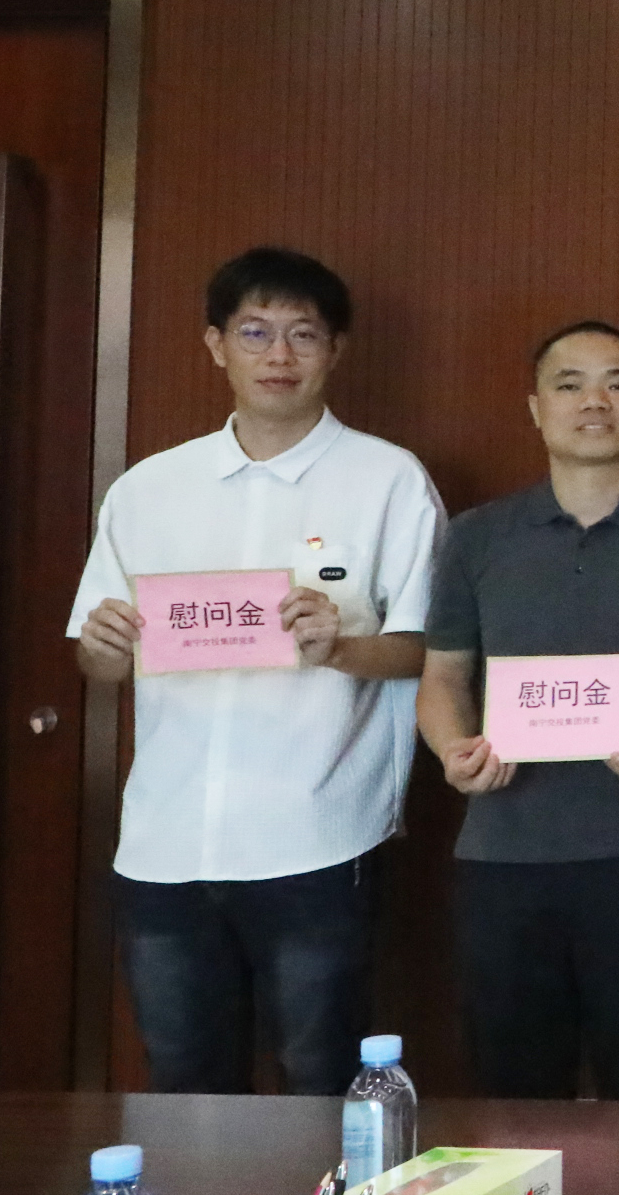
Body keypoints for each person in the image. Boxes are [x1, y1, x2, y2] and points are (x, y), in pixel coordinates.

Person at [67, 248, 444, 1095]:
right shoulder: (148, 488)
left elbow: (427, 647)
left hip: (317, 833)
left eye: (302, 334)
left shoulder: (388, 480)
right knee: (183, 1085)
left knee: (322, 1082)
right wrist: (104, 647)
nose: (279, 355)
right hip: (165, 841)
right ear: (215, 345)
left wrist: (340, 646)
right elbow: (95, 659)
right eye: (255, 333)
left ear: (335, 349)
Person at [417, 323, 619, 1100]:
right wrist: (453, 750)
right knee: (513, 1097)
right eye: (570, 384)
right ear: (536, 408)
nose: (595, 401)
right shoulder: (476, 537)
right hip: (502, 857)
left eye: (617, 383)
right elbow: (442, 678)